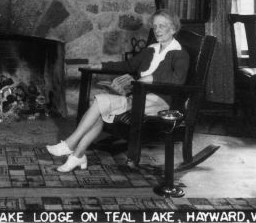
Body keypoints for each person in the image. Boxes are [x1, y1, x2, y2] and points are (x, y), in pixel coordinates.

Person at [46, 9, 189, 172]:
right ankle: (77, 155)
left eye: (162, 26)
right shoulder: (151, 50)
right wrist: (101, 65)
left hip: (158, 103)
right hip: (138, 98)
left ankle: (71, 145)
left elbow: (178, 80)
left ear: (173, 28)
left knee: (99, 103)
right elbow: (128, 65)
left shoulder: (180, 54)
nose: (157, 30)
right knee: (98, 106)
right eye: (155, 26)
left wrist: (152, 78)